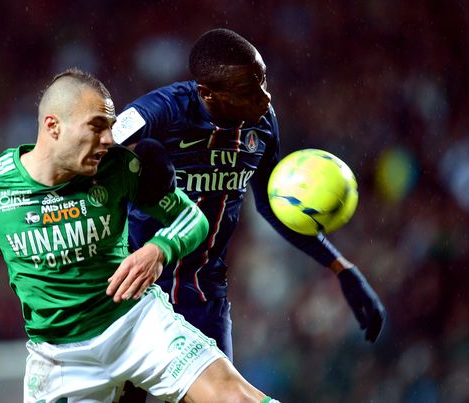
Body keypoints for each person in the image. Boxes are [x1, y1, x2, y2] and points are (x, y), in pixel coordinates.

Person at [0, 68, 281, 403]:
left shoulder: (121, 169)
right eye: (97, 126)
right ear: (53, 126)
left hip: (138, 326)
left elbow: (194, 220)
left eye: (110, 127)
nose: (110, 138)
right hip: (61, 360)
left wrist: (158, 249)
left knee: (235, 396)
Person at [113, 28, 386, 385]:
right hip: (134, 289)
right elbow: (93, 162)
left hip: (204, 295)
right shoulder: (159, 112)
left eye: (263, 82)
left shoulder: (262, 125)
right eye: (247, 91)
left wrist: (340, 266)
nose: (264, 98)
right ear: (207, 93)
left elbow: (274, 207)